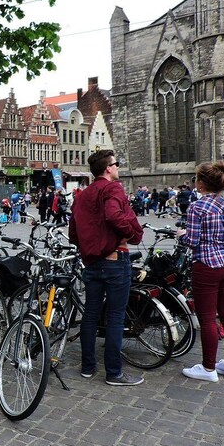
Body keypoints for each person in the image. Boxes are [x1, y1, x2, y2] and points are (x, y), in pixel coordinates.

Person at [69, 149, 144, 386]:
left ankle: (88, 367)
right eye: (116, 164)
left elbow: (73, 230)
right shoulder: (112, 188)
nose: (118, 168)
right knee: (114, 316)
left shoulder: (82, 195)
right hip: (114, 261)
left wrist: (87, 247)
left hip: (91, 263)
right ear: (108, 168)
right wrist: (130, 233)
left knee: (90, 315)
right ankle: (114, 373)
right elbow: (113, 215)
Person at [178, 162, 224, 382]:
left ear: (201, 183)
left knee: (207, 318)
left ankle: (208, 369)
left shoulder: (197, 207)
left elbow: (192, 241)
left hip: (207, 266)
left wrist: (181, 235)